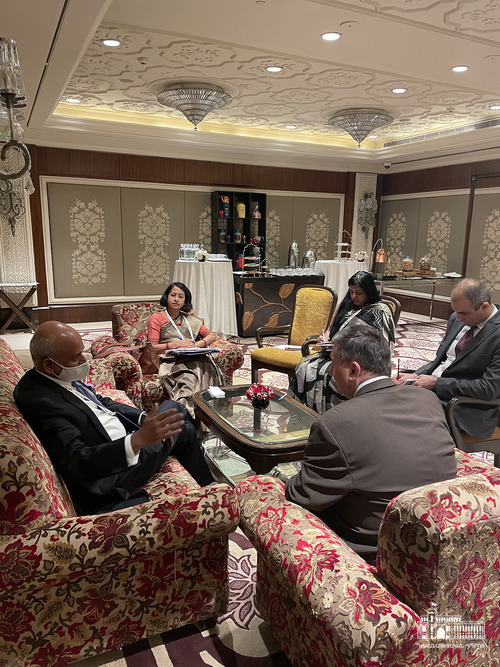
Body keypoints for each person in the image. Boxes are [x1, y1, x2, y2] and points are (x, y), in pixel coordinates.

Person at [285, 325, 457, 564]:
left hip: (379, 547)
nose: (331, 371)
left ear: (354, 370)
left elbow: (305, 495)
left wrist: (281, 478)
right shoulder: (427, 398)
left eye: (334, 363)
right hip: (443, 532)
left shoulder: (334, 423)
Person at [14, 321, 213, 515]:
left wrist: (143, 418)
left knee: (181, 424)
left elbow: (100, 401)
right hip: (117, 469)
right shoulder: (41, 401)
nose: (84, 360)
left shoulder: (51, 377)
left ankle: (209, 491)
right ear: (49, 364)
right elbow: (76, 461)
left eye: (82, 353)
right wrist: (137, 440)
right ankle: (212, 491)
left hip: (124, 436)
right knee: (176, 411)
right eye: (75, 358)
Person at [396, 278, 500, 438]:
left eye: (463, 313)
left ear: (484, 306)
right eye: (455, 311)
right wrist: (415, 375)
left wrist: (437, 384)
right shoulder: (456, 319)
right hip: (436, 389)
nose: (457, 318)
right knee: (387, 398)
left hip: (465, 406)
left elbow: (488, 389)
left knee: (405, 415)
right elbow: (441, 361)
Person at [291, 271, 395, 414]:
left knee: (327, 373)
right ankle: (304, 413)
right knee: (305, 366)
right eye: (351, 291)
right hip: (335, 353)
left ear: (369, 291)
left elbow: (382, 345)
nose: (354, 296)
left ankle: (329, 415)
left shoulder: (380, 312)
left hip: (360, 361)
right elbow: (330, 330)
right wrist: (325, 338)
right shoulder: (346, 304)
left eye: (359, 293)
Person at [148, 282, 222, 420]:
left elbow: (211, 336)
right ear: (167, 297)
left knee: (205, 364)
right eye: (173, 295)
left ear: (185, 301)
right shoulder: (157, 318)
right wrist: (175, 344)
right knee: (189, 377)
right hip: (172, 360)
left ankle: (209, 417)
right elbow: (152, 347)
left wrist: (196, 345)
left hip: (193, 356)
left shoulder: (190, 320)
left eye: (180, 296)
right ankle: (183, 413)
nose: (176, 299)